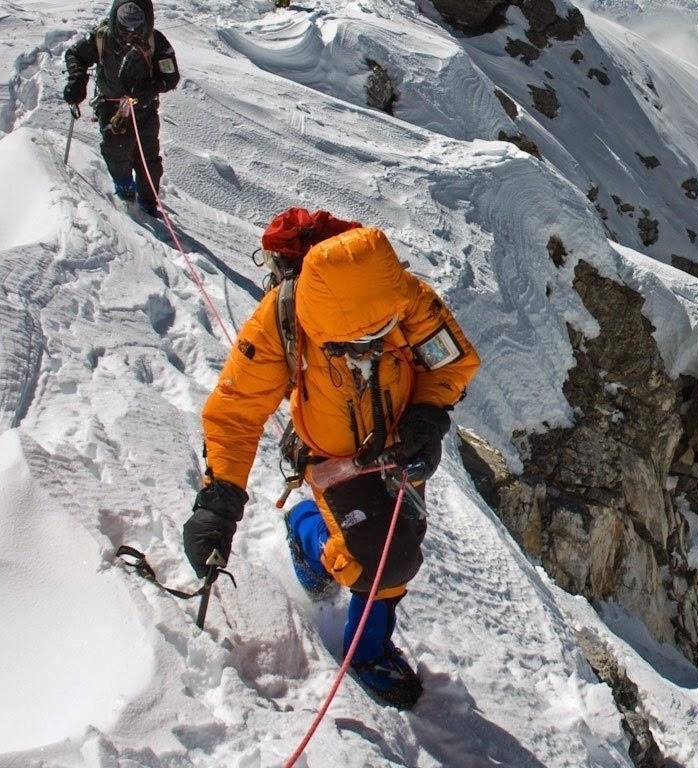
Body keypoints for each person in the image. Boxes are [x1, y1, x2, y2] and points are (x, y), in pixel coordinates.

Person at [181, 213, 480, 707]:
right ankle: (365, 649)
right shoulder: (282, 320)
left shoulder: (405, 297)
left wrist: (427, 416)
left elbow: (450, 362)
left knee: (402, 539)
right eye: (349, 344)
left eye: (379, 334)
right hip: (331, 454)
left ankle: (307, 530)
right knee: (381, 562)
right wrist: (218, 499)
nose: (367, 348)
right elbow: (235, 412)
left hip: (400, 442)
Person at [63, 0, 180, 217]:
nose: (131, 31)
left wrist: (150, 87)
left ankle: (148, 203)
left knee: (148, 159)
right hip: (111, 105)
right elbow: (75, 55)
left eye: (137, 25)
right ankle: (125, 188)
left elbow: (170, 76)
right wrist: (77, 79)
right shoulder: (102, 38)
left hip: (144, 107)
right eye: (126, 24)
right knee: (116, 151)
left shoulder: (157, 42)